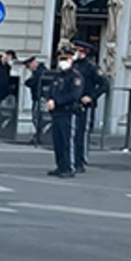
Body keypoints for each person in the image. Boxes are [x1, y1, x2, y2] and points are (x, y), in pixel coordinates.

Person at [42, 47, 85, 177]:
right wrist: (50, 99)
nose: (63, 62)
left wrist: (57, 101)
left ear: (71, 60)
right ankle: (60, 166)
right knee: (58, 141)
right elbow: (52, 90)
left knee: (67, 141)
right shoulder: (58, 75)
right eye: (61, 59)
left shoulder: (75, 76)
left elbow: (74, 95)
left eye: (66, 59)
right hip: (57, 112)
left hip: (68, 112)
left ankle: (69, 167)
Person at [71, 41, 106, 172]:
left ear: (84, 52)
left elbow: (104, 84)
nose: (75, 54)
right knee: (73, 133)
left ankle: (81, 160)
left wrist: (91, 96)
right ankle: (72, 159)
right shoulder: (73, 65)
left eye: (78, 51)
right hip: (73, 103)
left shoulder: (91, 67)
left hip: (85, 104)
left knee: (82, 133)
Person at [21, 56, 45, 146]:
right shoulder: (37, 71)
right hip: (36, 97)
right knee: (36, 118)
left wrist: (29, 82)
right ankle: (38, 136)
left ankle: (39, 136)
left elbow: (32, 82)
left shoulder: (40, 72)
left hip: (39, 97)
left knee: (37, 118)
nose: (29, 68)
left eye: (28, 66)